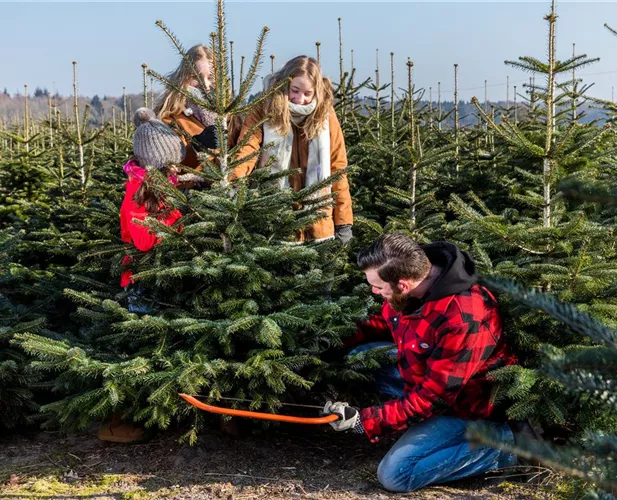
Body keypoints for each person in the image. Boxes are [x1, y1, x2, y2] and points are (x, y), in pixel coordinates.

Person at [321, 232, 520, 492]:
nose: (374, 291)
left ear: (403, 285)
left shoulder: (463, 317)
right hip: (428, 378)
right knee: (362, 357)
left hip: (468, 409)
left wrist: (365, 421)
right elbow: (385, 322)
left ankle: (505, 447)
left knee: (396, 475)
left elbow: (432, 399)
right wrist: (328, 344)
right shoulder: (415, 286)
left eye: (378, 287)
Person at [100, 108, 186, 443]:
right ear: (156, 164)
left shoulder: (157, 186)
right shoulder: (137, 193)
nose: (175, 170)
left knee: (158, 347)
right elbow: (144, 239)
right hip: (142, 281)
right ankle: (116, 422)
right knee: (140, 352)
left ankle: (156, 413)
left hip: (159, 279)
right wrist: (178, 214)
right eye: (170, 166)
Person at [229, 55, 353, 243]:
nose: (299, 99)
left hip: (317, 222)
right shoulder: (264, 110)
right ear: (284, 84)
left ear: (316, 92)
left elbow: (338, 167)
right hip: (275, 221)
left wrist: (344, 222)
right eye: (294, 90)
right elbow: (247, 150)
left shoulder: (325, 115)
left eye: (307, 93)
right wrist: (233, 187)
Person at [154, 44, 241, 182]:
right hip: (190, 196)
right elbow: (168, 167)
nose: (205, 85)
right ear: (184, 78)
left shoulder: (231, 115)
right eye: (197, 77)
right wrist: (196, 145)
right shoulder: (171, 118)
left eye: (210, 77)